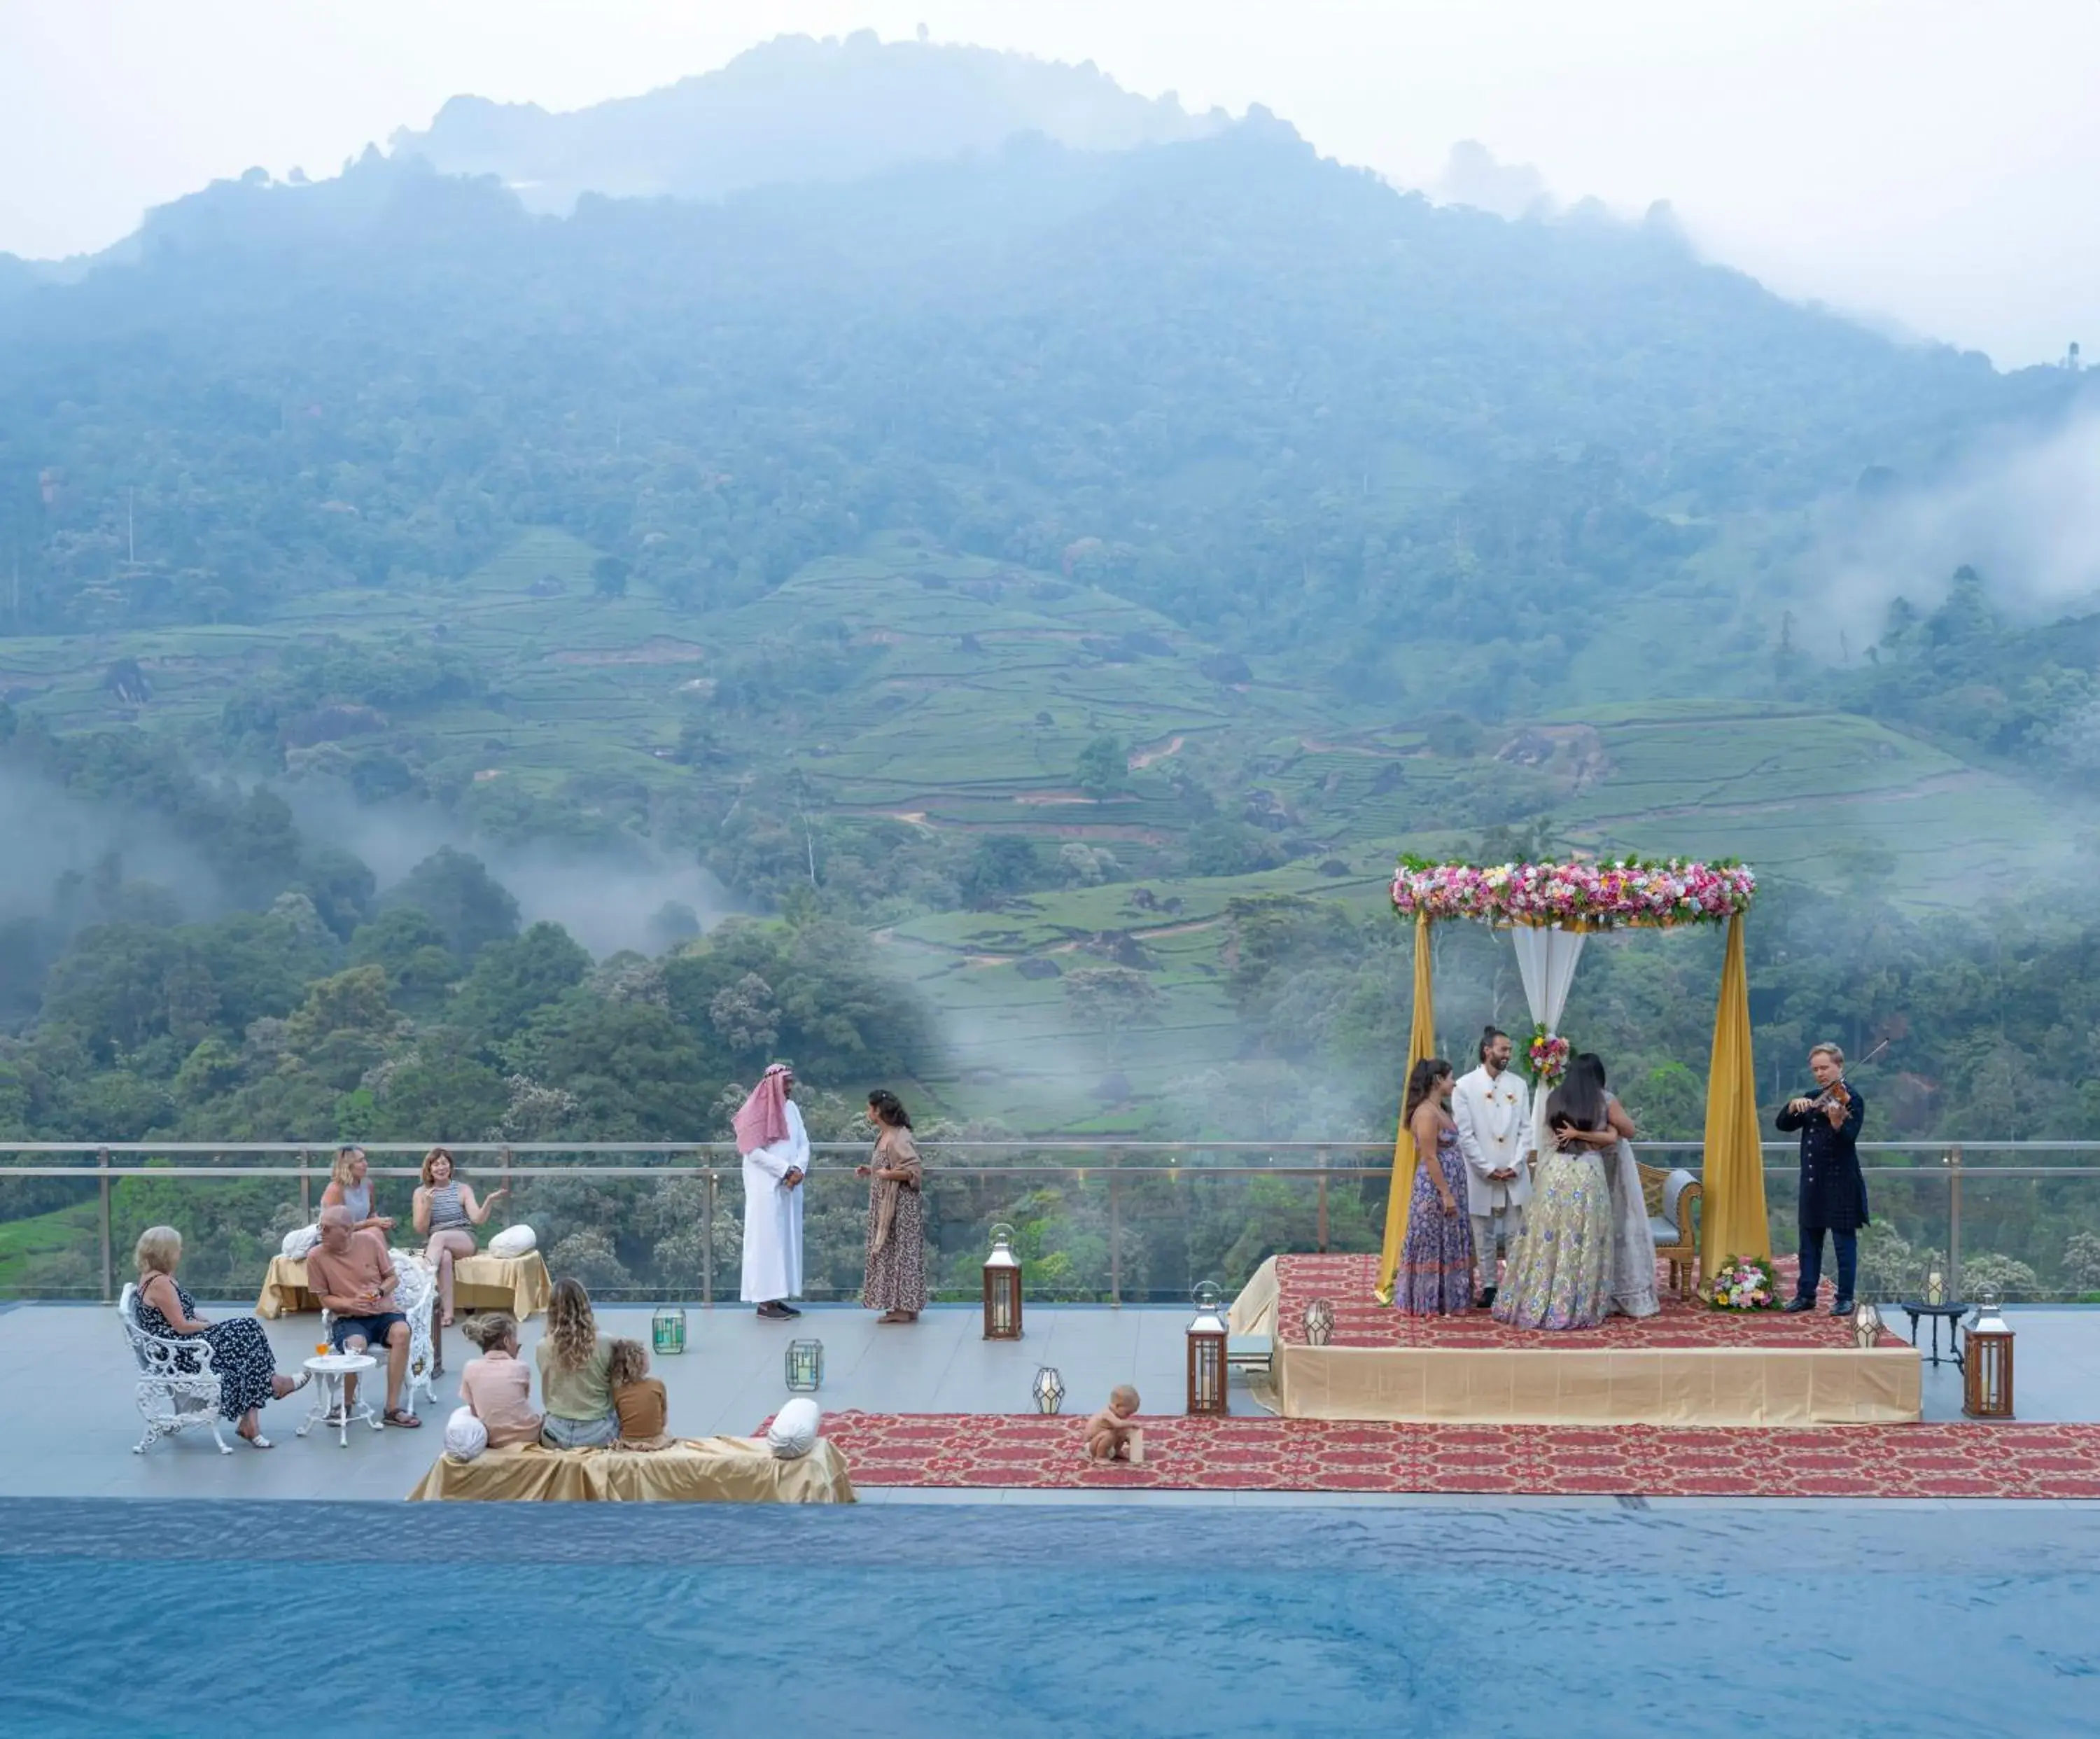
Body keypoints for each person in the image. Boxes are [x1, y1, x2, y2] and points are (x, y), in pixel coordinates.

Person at [132, 1226, 309, 1448]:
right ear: (165, 1252)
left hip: (179, 1346)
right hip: (182, 1352)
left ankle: (253, 1419)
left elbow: (181, 1314)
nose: (181, 1252)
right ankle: (273, 1386)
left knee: (247, 1338)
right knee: (248, 1331)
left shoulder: (156, 1278)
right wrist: (207, 1326)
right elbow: (181, 1325)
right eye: (177, 1249)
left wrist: (205, 1324)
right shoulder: (160, 1283)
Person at [1493, 1066, 1616, 1332]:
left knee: (1548, 1238)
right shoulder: (1598, 1101)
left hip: (1556, 1172)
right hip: (1586, 1172)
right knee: (1581, 1238)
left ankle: (1537, 1298)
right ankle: (1575, 1303)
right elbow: (1612, 1137)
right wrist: (1583, 1136)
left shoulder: (1556, 1099)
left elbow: (1549, 1140)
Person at [304, 1206, 419, 1426]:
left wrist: (380, 1292)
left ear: (347, 1230)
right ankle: (346, 1404)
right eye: (321, 1226)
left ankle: (392, 1408)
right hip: (348, 1318)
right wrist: (350, 1303)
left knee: (402, 1332)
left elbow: (392, 1279)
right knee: (355, 1345)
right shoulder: (316, 1256)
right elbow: (324, 1299)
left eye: (327, 1228)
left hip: (383, 1312)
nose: (321, 1232)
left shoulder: (370, 1241)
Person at [1778, 1042, 1869, 1315]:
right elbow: (1784, 1125)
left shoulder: (1851, 1099)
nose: (1820, 1074)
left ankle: (1844, 1298)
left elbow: (1848, 1139)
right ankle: (1806, 1294)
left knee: (1843, 1244)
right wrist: (1792, 1106)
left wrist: (1837, 1122)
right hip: (1813, 1182)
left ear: (1839, 1066)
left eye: (1825, 1068)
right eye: (1816, 1069)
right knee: (1809, 1244)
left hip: (1841, 1183)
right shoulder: (1812, 1098)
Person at [1568, 1052, 1660, 1320]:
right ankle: (1623, 1291)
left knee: (1587, 1229)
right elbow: (1629, 1130)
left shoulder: (1567, 1100)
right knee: (1621, 1224)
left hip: (1580, 1171)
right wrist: (1612, 1128)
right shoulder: (1604, 1099)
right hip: (1611, 1169)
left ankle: (1587, 1291)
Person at [1452, 1026, 1533, 1308]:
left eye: (1509, 1050)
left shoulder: (1519, 1085)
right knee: (1482, 1232)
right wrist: (1487, 1168)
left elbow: (1526, 1130)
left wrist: (1515, 1164)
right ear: (1488, 1051)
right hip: (1480, 1174)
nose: (1508, 1055)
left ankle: (1513, 1284)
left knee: (1516, 1232)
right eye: (1503, 1049)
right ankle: (1489, 1285)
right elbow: (1465, 1135)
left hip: (1514, 1172)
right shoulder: (1464, 1086)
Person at [1392, 1058, 1475, 1315]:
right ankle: (1427, 1300)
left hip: (1450, 1184)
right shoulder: (1427, 1113)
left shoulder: (1441, 1110)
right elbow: (1429, 1156)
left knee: (1447, 1239)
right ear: (1438, 1080)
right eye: (1451, 1078)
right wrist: (1446, 1193)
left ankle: (1447, 1299)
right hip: (1435, 1188)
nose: (1454, 1083)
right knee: (1432, 1239)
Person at [736, 1062, 809, 1320]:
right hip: (765, 1189)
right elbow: (752, 1152)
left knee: (784, 1242)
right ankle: (764, 1303)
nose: (790, 1086)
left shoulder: (792, 1109)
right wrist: (784, 1169)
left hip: (788, 1188)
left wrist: (799, 1168)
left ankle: (778, 1297)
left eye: (791, 1081)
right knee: (766, 1243)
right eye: (786, 1082)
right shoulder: (755, 1111)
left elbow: (803, 1143)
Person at [412, 1146, 510, 1328]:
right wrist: (428, 1205)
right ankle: (448, 1314)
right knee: (446, 1258)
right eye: (436, 1164)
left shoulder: (462, 1189)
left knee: (440, 1238)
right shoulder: (421, 1193)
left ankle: (423, 1283)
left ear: (451, 1167)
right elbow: (420, 1228)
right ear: (429, 1169)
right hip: (436, 1242)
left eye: (444, 1164)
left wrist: (489, 1201)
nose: (441, 1168)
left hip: (464, 1238)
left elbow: (477, 1219)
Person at [858, 1088, 926, 1324]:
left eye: (870, 1108)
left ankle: (903, 1309)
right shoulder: (885, 1136)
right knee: (893, 1252)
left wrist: (888, 1175)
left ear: (878, 1111)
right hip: (888, 1203)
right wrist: (873, 1172)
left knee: (901, 1253)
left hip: (900, 1207)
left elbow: (913, 1170)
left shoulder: (898, 1137)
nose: (868, 1112)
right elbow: (888, 1167)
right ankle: (904, 1306)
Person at [536, 1276, 619, 1448]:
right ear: (586, 1305)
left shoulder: (543, 1346)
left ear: (552, 1309)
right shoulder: (608, 1343)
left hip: (555, 1435)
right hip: (599, 1434)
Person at [457, 1311, 542, 1447]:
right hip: (528, 1435)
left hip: (493, 1439)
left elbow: (475, 1412)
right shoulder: (521, 1368)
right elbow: (521, 1401)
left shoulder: (470, 1368)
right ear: (507, 1341)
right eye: (516, 1339)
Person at [606, 1337, 673, 1450]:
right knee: (668, 1433)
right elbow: (664, 1420)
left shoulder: (616, 1390)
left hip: (628, 1442)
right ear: (643, 1362)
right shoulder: (657, 1385)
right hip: (656, 1441)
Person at [318, 1144, 393, 1238]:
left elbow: (371, 1215)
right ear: (347, 1166)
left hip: (360, 1234)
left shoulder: (368, 1185)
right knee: (374, 1233)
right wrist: (370, 1223)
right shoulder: (336, 1189)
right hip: (337, 1238)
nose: (365, 1164)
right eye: (360, 1161)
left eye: (365, 1160)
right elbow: (334, 1227)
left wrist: (381, 1222)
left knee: (376, 1232)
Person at [1086, 1385, 1142, 1461]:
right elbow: (1118, 1424)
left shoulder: (1116, 1414)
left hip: (1104, 1445)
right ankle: (1100, 1457)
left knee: (1121, 1433)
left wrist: (1130, 1439)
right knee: (1109, 1434)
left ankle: (1116, 1452)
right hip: (1091, 1447)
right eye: (1127, 1413)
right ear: (1117, 1406)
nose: (1128, 1417)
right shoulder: (1107, 1413)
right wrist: (1131, 1424)